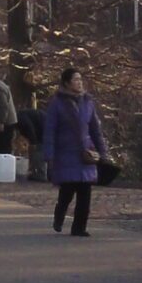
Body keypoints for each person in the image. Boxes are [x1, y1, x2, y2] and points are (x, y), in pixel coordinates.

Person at [44, 66, 107, 237]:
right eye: (75, 80)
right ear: (66, 83)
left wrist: (103, 152)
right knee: (67, 190)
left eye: (80, 79)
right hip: (65, 153)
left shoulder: (87, 102)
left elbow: (95, 129)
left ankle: (79, 227)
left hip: (85, 153)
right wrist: (49, 155)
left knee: (85, 193)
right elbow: (50, 130)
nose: (79, 83)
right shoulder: (57, 103)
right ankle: (59, 215)